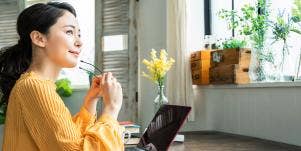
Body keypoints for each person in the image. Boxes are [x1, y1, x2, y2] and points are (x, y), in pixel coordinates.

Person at [0, 2, 124, 150]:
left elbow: (69, 140)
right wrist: (111, 108)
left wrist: (90, 101)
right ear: (39, 38)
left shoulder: (35, 85)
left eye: (79, 34)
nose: (79, 42)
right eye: (69, 32)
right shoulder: (34, 86)